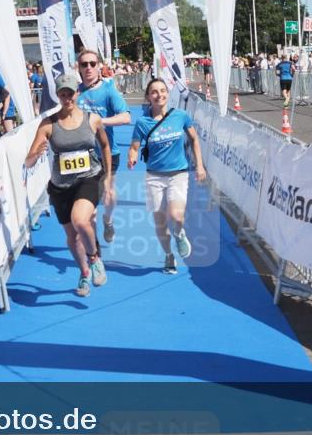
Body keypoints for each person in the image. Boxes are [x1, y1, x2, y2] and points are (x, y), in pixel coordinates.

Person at [25, 72, 112, 297]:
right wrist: (36, 153)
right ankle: (84, 273)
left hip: (88, 178)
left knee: (80, 220)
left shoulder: (92, 120)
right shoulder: (48, 124)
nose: (67, 99)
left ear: (77, 93)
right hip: (60, 186)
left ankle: (94, 259)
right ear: (58, 96)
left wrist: (108, 175)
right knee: (72, 237)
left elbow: (105, 146)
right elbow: (29, 160)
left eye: (70, 94)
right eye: (63, 95)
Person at [128, 79, 206, 274]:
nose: (159, 95)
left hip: (178, 173)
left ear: (168, 94)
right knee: (161, 224)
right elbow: (135, 147)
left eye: (163, 91)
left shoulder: (180, 116)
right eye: (154, 92)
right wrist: (132, 156)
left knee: (176, 215)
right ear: (148, 97)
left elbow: (194, 139)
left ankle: (179, 234)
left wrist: (200, 166)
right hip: (154, 176)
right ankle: (169, 255)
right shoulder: (143, 122)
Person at [75, 48, 130, 244]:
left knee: (108, 196)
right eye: (84, 64)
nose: (88, 68)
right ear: (78, 68)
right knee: (90, 207)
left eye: (92, 64)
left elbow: (126, 117)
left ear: (98, 67)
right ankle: (94, 247)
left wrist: (101, 122)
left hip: (108, 153)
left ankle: (109, 219)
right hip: (83, 156)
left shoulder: (108, 91)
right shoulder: (75, 93)